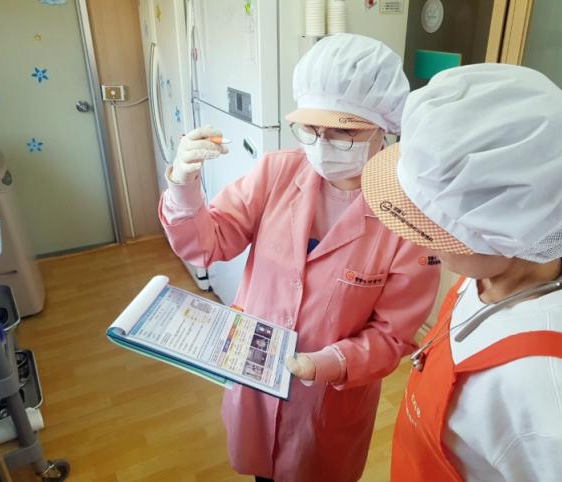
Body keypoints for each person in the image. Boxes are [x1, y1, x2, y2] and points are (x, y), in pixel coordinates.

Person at [159, 33, 441, 482]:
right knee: (262, 472)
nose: (322, 143)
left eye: (344, 131)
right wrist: (183, 186)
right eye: (310, 128)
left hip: (326, 402)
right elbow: (207, 245)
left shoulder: (406, 215)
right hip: (254, 374)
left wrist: (326, 364)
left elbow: (393, 335)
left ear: (384, 126)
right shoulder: (277, 171)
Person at [361, 63, 562, 481]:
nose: (420, 241)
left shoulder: (551, 397)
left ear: (505, 230)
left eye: (434, 228)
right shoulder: (491, 274)